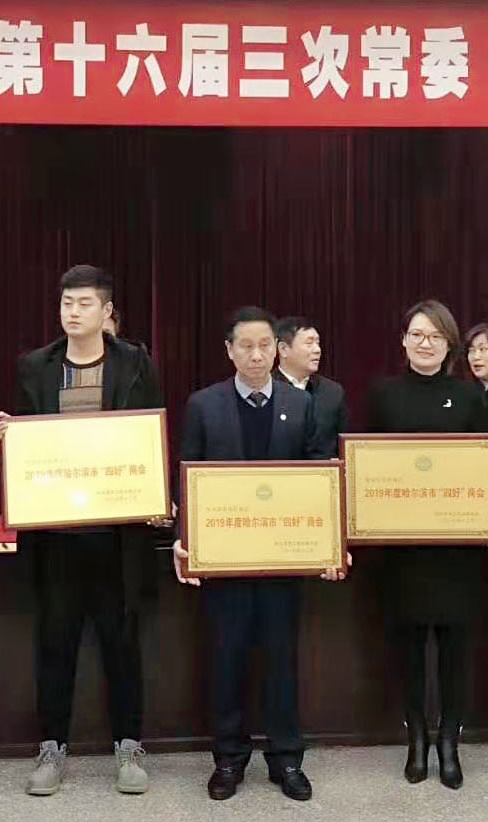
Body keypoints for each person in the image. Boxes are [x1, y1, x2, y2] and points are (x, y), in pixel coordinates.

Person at [0, 265, 163, 796]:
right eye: (66, 303)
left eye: (85, 303)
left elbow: (152, 430)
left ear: (107, 311)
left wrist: (157, 492)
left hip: (116, 535)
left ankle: (129, 747)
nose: (73, 312)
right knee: (55, 643)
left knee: (121, 645)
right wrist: (10, 436)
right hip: (56, 535)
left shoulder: (135, 363)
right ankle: (52, 748)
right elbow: (24, 439)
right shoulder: (36, 366)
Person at [171, 306, 337, 803]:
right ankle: (228, 758)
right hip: (225, 560)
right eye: (246, 346)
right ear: (229, 351)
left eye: (265, 345)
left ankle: (287, 759)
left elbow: (319, 478)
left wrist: (327, 544)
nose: (257, 355)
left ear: (277, 350)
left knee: (282, 662)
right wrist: (184, 539)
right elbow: (187, 476)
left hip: (283, 559)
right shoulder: (204, 405)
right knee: (227, 661)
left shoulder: (301, 404)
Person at [367, 300, 488, 790]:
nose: (425, 343)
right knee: (409, 648)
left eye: (435, 335)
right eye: (416, 334)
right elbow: (363, 466)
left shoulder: (471, 397)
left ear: (449, 344)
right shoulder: (383, 395)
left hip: (457, 546)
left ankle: (450, 739)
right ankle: (416, 738)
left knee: (455, 649)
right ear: (403, 341)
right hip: (402, 547)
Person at [273, 316, 347, 457]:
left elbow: (343, 445)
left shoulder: (332, 392)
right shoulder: (265, 390)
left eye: (318, 343)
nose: (317, 350)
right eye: (309, 343)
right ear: (283, 349)